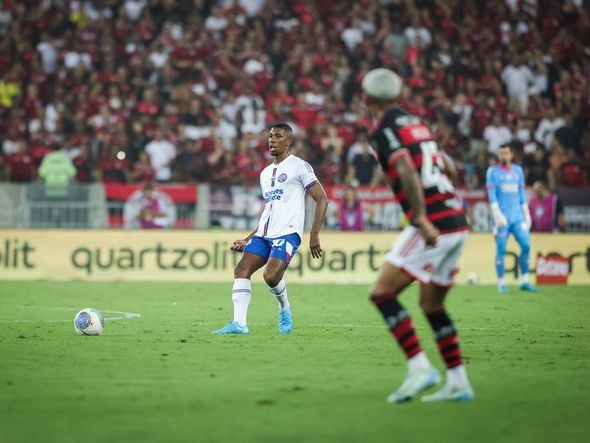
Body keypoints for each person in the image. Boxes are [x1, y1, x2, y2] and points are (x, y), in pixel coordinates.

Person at [362, 68, 473, 403]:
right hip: (457, 220)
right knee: (431, 305)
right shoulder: (417, 124)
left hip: (434, 223)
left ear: (367, 99)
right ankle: (458, 382)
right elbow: (450, 168)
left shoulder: (382, 130)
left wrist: (421, 217)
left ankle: (420, 368)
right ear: (398, 96)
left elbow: (406, 168)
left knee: (382, 293)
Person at [212, 123, 328, 335]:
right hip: (264, 234)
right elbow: (270, 209)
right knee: (241, 270)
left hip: (287, 232)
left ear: (289, 141)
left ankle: (284, 307)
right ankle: (239, 324)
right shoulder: (265, 173)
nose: (272, 140)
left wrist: (314, 234)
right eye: (270, 136)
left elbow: (322, 199)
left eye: (278, 136)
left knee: (271, 277)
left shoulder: (300, 166)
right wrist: (249, 237)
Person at [486, 143, 538, 293]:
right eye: (501, 153)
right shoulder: (493, 172)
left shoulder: (518, 171)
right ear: (498, 155)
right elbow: (492, 195)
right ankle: (501, 283)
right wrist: (497, 214)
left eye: (506, 153)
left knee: (526, 246)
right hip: (502, 218)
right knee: (501, 249)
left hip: (517, 218)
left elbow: (521, 195)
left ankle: (524, 281)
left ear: (511, 155)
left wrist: (526, 214)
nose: (503, 156)